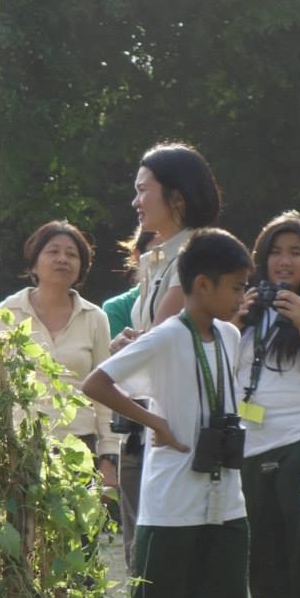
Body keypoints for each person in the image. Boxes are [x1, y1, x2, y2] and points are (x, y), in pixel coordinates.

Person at [85, 229, 254, 598]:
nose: (242, 297)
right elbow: (96, 382)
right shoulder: (165, 337)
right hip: (172, 504)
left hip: (226, 496)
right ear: (203, 285)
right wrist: (154, 421)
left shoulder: (230, 338)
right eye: (235, 287)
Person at [109, 144, 223, 567]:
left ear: (177, 195)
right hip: (144, 423)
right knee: (140, 556)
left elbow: (159, 339)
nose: (135, 202)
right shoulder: (156, 258)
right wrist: (130, 343)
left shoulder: (195, 256)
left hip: (176, 427)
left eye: (143, 190)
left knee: (164, 558)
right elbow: (148, 339)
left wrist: (129, 346)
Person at [236, 212, 300, 598]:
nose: (285, 261)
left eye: (296, 252)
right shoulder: (246, 307)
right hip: (252, 443)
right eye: (275, 252)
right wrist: (237, 319)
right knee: (262, 546)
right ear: (261, 259)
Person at [0, 221, 121, 487]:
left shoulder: (95, 318)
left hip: (79, 448)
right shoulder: (9, 312)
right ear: (34, 264)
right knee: (24, 528)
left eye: (72, 254)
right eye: (53, 251)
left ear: (82, 267)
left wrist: (109, 455)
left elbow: (106, 392)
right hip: (20, 448)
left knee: (76, 528)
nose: (62, 259)